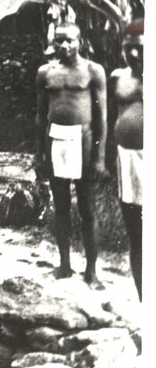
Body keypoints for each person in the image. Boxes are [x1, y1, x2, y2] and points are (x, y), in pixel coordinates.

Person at [35, 22, 107, 288]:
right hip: (56, 139)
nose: (64, 45)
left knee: (86, 206)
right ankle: (64, 265)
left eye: (70, 40)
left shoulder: (92, 71)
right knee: (61, 205)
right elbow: (40, 116)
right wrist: (38, 155)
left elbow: (102, 118)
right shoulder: (46, 72)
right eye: (59, 40)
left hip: (83, 140)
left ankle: (92, 271)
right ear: (53, 43)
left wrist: (99, 158)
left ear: (80, 42)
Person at [109, 20, 143, 300]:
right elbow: (111, 117)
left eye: (141, 48)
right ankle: (145, 302)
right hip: (127, 161)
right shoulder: (118, 78)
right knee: (137, 235)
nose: (134, 54)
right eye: (129, 47)